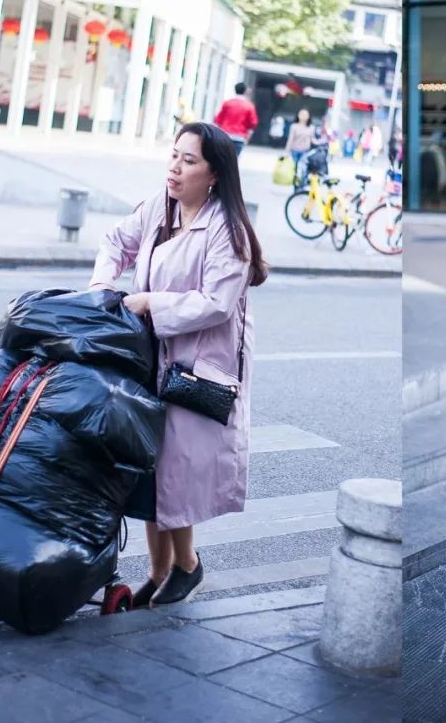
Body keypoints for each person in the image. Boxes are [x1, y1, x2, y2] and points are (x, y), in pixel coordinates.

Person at [89, 122, 268, 607]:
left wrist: (152, 302)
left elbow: (215, 302)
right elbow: (115, 243)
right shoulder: (157, 208)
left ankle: (186, 566)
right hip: (150, 354)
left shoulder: (227, 232)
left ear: (214, 174)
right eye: (173, 156)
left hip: (195, 362)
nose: (175, 167)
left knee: (172, 471)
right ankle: (160, 570)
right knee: (149, 466)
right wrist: (104, 287)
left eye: (189, 161)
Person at [212, 83, 258, 156]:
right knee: (234, 161)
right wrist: (248, 136)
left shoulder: (227, 103)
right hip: (239, 137)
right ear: (245, 91)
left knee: (222, 158)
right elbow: (253, 123)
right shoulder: (249, 106)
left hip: (225, 135)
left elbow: (218, 119)